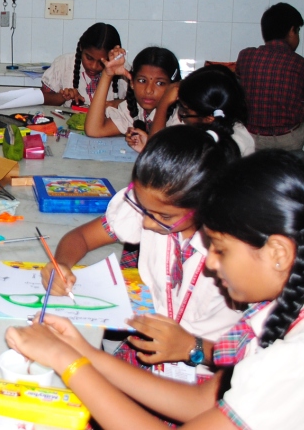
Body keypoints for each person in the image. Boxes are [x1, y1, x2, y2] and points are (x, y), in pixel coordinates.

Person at [7, 151, 304, 429]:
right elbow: (199, 402)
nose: (210, 263)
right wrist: (85, 352)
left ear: (277, 253)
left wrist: (66, 361)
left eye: (220, 249)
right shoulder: (300, 296)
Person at [41, 126, 241, 381]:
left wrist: (191, 347)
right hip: (149, 351)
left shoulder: (239, 257)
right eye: (143, 209)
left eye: (164, 217)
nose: (146, 222)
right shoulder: (153, 204)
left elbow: (251, 356)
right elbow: (81, 237)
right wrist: (61, 264)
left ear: (206, 206)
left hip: (207, 374)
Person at [235, 3, 304, 156]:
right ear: (292, 31)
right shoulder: (303, 65)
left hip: (250, 137)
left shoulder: (245, 56)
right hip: (286, 141)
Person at [135, 65, 254, 155]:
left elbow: (156, 156)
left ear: (208, 118)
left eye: (185, 111)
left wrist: (163, 104)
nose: (181, 116)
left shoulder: (223, 146)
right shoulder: (223, 127)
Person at [84, 46, 180, 151]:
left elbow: (157, 152)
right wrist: (107, 75)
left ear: (173, 87)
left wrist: (164, 104)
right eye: (142, 81)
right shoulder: (134, 109)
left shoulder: (181, 116)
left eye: (160, 83)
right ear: (132, 83)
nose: (148, 90)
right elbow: (93, 130)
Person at [41, 22, 127, 106]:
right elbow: (42, 98)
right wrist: (62, 97)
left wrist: (113, 104)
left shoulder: (123, 70)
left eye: (101, 62)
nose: (93, 66)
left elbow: (133, 104)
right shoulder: (63, 64)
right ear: (81, 47)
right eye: (89, 58)